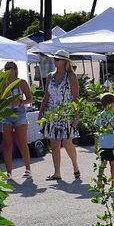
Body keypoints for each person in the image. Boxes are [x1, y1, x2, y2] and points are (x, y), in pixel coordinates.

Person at [41, 50, 81, 181]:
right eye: (55, 58)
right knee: (54, 143)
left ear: (65, 61)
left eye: (58, 59)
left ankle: (75, 166)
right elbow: (46, 96)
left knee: (67, 142)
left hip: (67, 112)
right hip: (52, 113)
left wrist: (76, 116)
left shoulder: (71, 76)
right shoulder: (50, 76)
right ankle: (57, 172)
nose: (55, 61)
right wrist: (41, 112)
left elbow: (76, 98)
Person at [1, 61, 34, 180]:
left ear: (15, 69)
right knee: (7, 144)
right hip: (6, 113)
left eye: (10, 68)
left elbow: (30, 99)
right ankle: (9, 172)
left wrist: (20, 102)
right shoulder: (2, 83)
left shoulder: (21, 82)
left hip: (19, 113)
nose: (8, 70)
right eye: (6, 68)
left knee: (22, 143)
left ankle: (28, 168)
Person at [95, 92, 114, 187]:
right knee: (113, 164)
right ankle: (113, 182)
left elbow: (97, 129)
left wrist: (97, 144)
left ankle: (99, 181)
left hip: (103, 144)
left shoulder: (100, 116)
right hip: (112, 144)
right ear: (110, 104)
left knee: (102, 164)